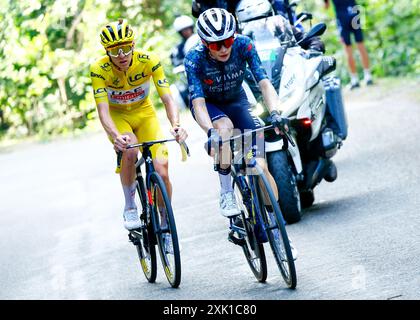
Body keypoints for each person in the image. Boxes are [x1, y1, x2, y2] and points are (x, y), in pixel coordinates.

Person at [184, 8, 297, 258]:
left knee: (259, 166)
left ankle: (277, 230)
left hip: (238, 101)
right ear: (204, 43)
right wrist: (209, 131)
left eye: (228, 41)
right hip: (211, 107)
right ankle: (226, 192)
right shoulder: (194, 58)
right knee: (223, 131)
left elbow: (264, 82)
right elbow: (198, 102)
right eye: (216, 45)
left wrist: (276, 112)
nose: (224, 48)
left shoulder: (244, 45)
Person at [90, 19, 188, 232]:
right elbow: (103, 111)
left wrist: (176, 125)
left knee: (162, 172)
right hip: (119, 118)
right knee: (131, 149)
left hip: (145, 115)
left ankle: (165, 222)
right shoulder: (98, 69)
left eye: (126, 48)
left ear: (133, 45)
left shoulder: (149, 60)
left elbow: (168, 99)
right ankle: (130, 205)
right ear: (107, 52)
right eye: (115, 51)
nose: (122, 55)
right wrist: (116, 135)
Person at [236, 0, 325, 53]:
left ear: (271, 15)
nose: (257, 24)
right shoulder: (237, 39)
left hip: (290, 76)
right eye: (249, 22)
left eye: (263, 18)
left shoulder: (281, 26)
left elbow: (311, 40)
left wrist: (313, 51)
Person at [324, 0, 373, 89]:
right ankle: (367, 76)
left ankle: (355, 79)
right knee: (360, 44)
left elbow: (326, 6)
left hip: (342, 16)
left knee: (348, 48)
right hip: (353, 11)